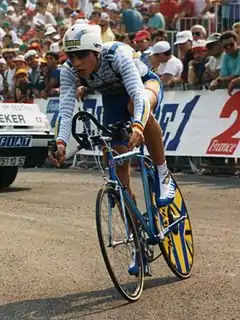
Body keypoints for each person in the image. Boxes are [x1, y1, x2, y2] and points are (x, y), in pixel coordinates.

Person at [49, 23, 176, 275]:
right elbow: (65, 109)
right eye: (71, 56)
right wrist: (61, 142)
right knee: (118, 179)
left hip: (143, 88)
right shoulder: (68, 71)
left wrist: (139, 125)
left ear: (96, 51)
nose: (76, 62)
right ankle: (138, 245)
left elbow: (138, 94)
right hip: (113, 103)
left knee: (134, 106)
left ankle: (162, 173)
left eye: (81, 55)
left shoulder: (117, 54)